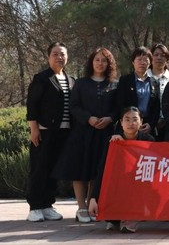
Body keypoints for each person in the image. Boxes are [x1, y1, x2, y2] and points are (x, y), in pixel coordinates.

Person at [53, 48, 118, 223]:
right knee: (80, 170)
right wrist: (88, 118)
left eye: (104, 60)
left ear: (109, 64)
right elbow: (73, 106)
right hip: (82, 133)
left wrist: (110, 118)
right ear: (91, 62)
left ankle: (91, 206)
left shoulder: (114, 84)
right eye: (97, 60)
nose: (100, 63)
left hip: (104, 133)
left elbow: (118, 108)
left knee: (97, 171)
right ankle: (81, 208)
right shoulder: (81, 83)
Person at [26, 42, 75, 222]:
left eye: (62, 54)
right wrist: (34, 129)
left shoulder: (71, 80)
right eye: (55, 54)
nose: (59, 57)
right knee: (39, 168)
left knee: (54, 169)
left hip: (64, 132)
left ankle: (47, 205)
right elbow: (32, 105)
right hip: (44, 131)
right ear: (48, 57)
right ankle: (35, 207)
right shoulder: (42, 78)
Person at [88, 106, 155, 233]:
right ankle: (116, 217)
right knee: (111, 215)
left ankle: (132, 216)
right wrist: (93, 198)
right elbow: (102, 170)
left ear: (141, 122)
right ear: (121, 122)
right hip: (119, 185)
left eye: (135, 119)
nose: (131, 123)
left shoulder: (148, 140)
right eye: (127, 119)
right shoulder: (113, 141)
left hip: (140, 184)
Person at [115, 47, 161, 137]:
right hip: (128, 126)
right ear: (133, 62)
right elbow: (120, 103)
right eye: (139, 59)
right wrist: (133, 122)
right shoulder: (125, 80)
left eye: (145, 60)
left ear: (150, 63)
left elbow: (156, 107)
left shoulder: (155, 82)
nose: (142, 62)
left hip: (147, 127)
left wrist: (151, 124)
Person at [147, 43, 169, 139]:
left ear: (167, 59)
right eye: (156, 55)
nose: (159, 58)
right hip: (147, 124)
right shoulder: (144, 77)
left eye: (163, 55)